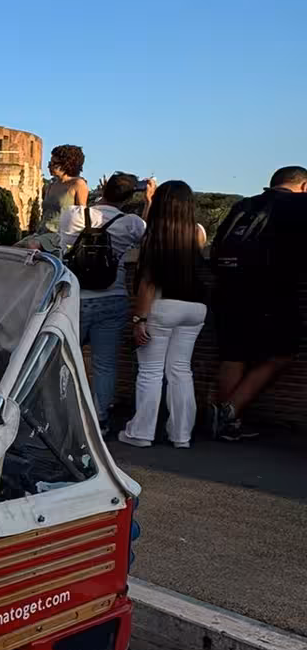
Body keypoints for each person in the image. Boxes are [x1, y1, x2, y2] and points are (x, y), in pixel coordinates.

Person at [208, 165, 307, 442]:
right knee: (283, 352)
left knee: (233, 355)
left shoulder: (245, 204)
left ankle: (226, 423)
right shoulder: (300, 204)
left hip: (227, 288)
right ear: (303, 186)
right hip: (272, 290)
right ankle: (229, 412)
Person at [118, 181, 209, 449]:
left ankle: (141, 433)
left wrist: (139, 319)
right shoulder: (198, 233)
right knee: (181, 370)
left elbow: (148, 282)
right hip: (195, 309)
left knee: (150, 372)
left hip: (162, 307)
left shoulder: (154, 236)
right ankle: (182, 435)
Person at [61, 172, 151, 432]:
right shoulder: (131, 223)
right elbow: (146, 239)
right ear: (129, 196)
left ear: (104, 189)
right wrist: (149, 201)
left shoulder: (75, 216)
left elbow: (60, 243)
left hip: (76, 298)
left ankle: (60, 414)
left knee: (63, 358)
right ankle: (99, 419)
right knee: (105, 364)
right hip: (113, 298)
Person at [36, 145, 90, 245]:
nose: (49, 166)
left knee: (29, 246)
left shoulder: (78, 184)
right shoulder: (51, 185)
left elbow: (81, 216)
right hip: (41, 233)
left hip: (60, 236)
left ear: (67, 164)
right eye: (49, 163)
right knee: (13, 251)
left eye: (54, 163)